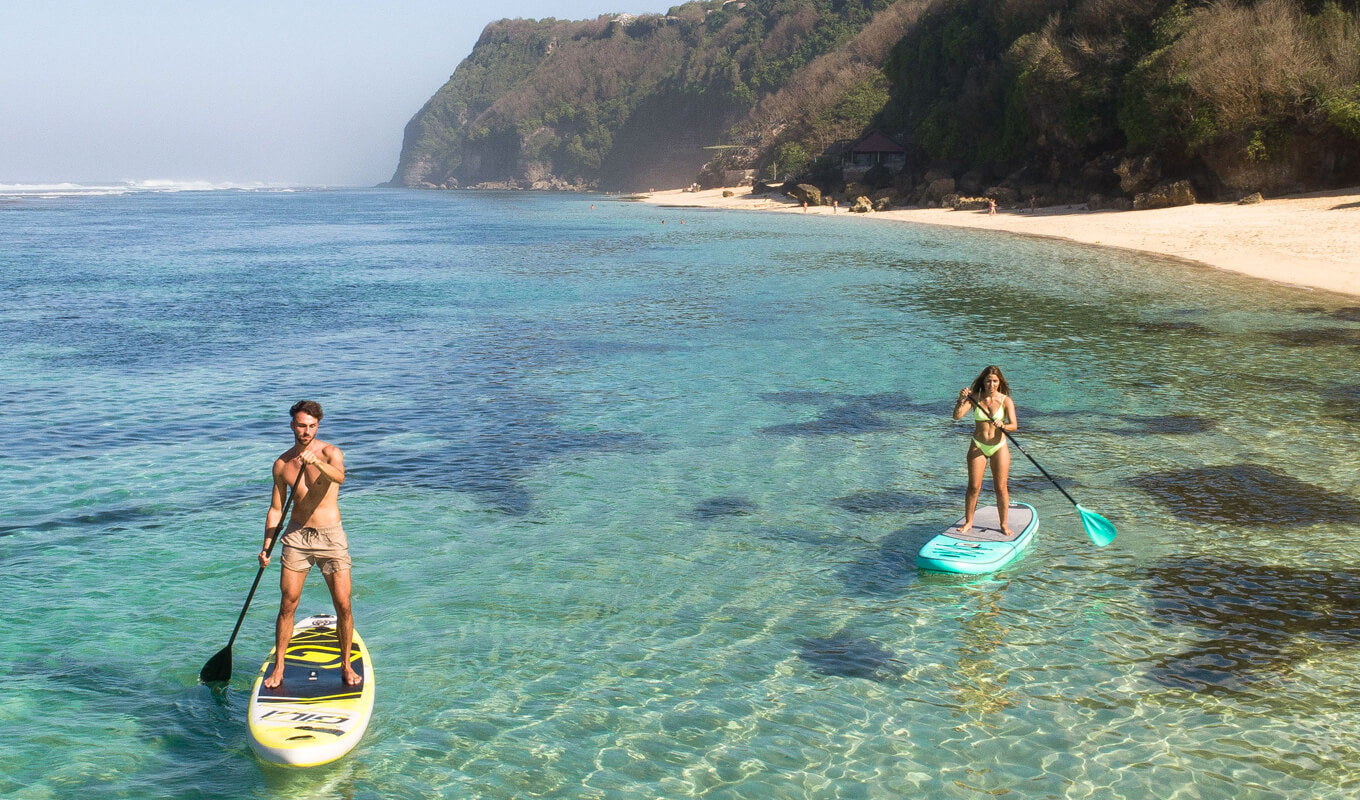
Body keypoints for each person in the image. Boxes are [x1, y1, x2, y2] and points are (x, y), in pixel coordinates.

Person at [259, 400, 360, 689]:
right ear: (292, 425)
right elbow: (276, 508)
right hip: (296, 536)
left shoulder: (330, 453)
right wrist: (267, 545)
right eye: (302, 425)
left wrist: (316, 462)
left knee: (343, 604)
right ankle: (279, 666)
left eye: (312, 426)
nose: (307, 431)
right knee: (287, 604)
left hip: (331, 536)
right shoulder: (282, 464)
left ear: (318, 426)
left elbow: (340, 476)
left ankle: (345, 664)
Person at [952, 366, 1019, 536]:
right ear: (983, 381)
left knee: (1001, 487)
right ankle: (968, 522)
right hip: (978, 445)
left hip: (999, 446)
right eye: (988, 381)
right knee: (974, 487)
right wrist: (960, 399)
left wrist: (1003, 425)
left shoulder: (1006, 400)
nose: (991, 384)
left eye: (995, 381)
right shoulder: (974, 398)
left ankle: (1003, 524)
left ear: (1000, 382)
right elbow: (957, 416)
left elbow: (1014, 426)